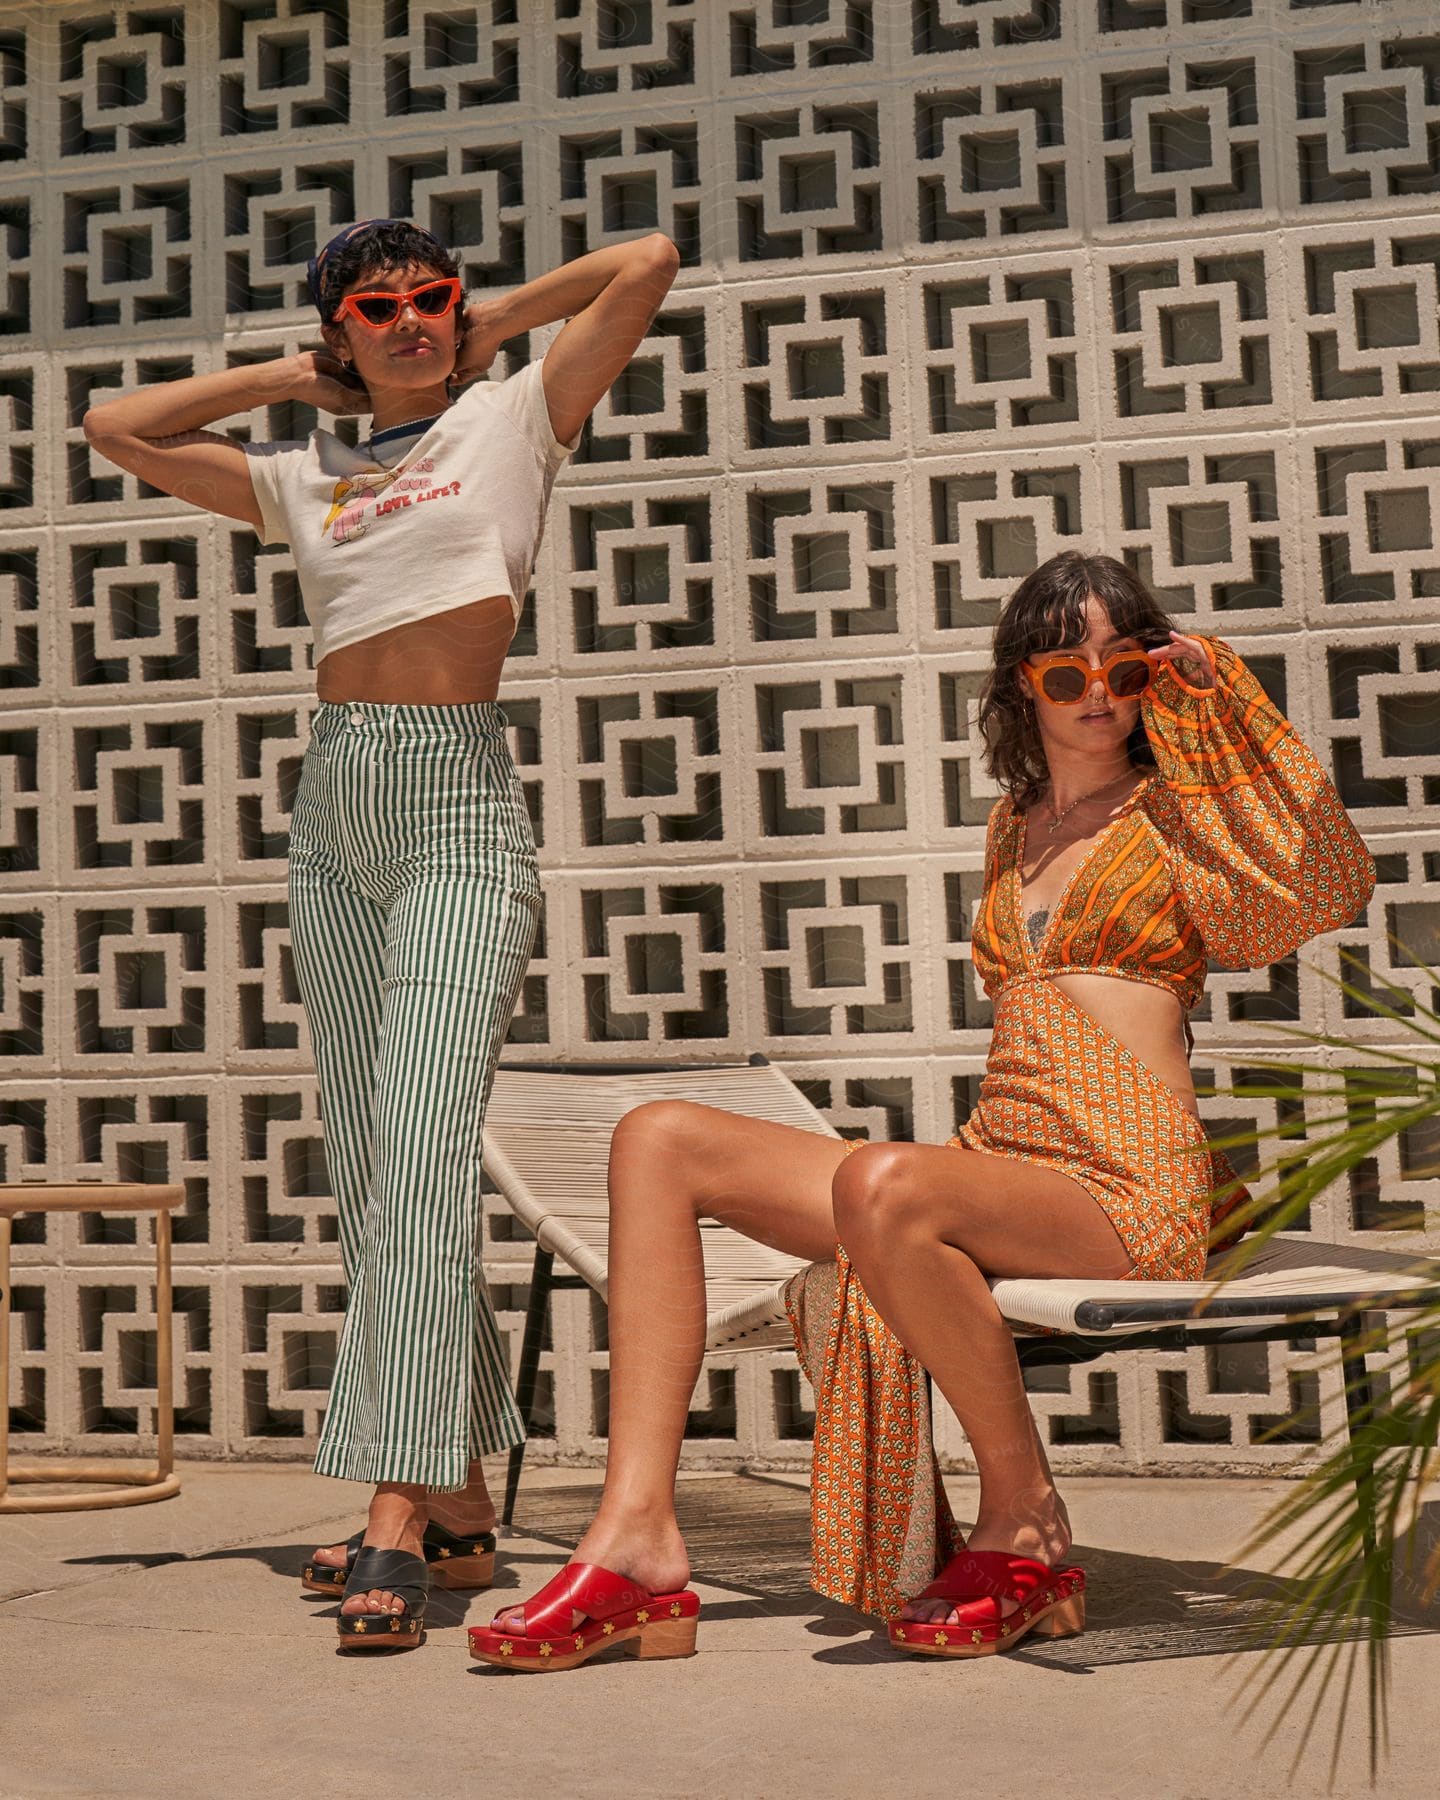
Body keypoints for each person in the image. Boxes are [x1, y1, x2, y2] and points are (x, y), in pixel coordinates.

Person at [467, 550, 1376, 1671]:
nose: (1098, 694)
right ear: (1020, 690)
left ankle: (1024, 1520)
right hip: (1008, 1159)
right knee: (659, 1138)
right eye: (1065, 675)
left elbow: (1329, 884)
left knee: (880, 1182)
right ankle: (637, 1535)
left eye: (1125, 669)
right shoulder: (1014, 826)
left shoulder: (1180, 814)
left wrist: (1220, 698)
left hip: (1132, 1181)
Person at [82, 218, 680, 1650]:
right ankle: (467, 1500)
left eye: (433, 298)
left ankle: (396, 1511)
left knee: (419, 1140)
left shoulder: (514, 416)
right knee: (373, 1164)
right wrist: (297, 377)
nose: (413, 318)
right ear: (340, 328)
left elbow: (644, 260)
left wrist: (489, 332)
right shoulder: (301, 476)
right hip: (335, 804)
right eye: (381, 306)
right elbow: (115, 424)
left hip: (458, 807)